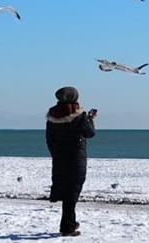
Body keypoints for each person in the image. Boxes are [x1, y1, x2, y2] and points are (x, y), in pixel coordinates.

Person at [45, 86, 96, 236]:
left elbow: (49, 139)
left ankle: (69, 223)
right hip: (76, 158)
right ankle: (67, 227)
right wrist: (90, 120)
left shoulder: (52, 115)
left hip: (60, 158)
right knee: (72, 192)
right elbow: (90, 133)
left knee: (67, 191)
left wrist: (55, 154)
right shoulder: (79, 115)